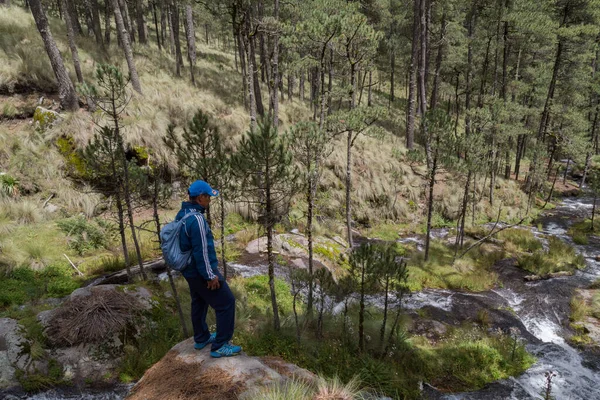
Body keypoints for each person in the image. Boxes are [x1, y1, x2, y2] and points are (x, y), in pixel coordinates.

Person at [175, 180, 241, 358]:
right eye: (208, 197)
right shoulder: (197, 220)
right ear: (200, 198)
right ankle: (220, 345)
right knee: (226, 302)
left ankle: (201, 337)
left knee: (199, 301)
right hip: (201, 272)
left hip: (190, 271)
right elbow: (202, 252)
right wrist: (211, 276)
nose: (210, 201)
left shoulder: (182, 215)